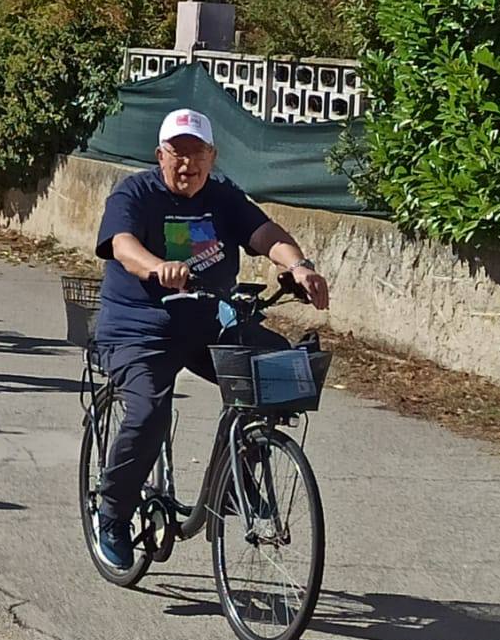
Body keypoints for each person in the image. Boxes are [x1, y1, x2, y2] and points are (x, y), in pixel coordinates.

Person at [91, 108, 330, 570]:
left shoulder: (222, 196)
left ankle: (238, 476)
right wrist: (156, 266)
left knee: (275, 367)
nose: (187, 165)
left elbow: (266, 234)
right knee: (148, 412)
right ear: (160, 156)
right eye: (177, 154)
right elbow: (122, 245)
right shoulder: (135, 192)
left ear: (212, 155)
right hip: (140, 328)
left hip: (206, 323)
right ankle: (113, 513)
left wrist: (298, 265)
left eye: (197, 153)